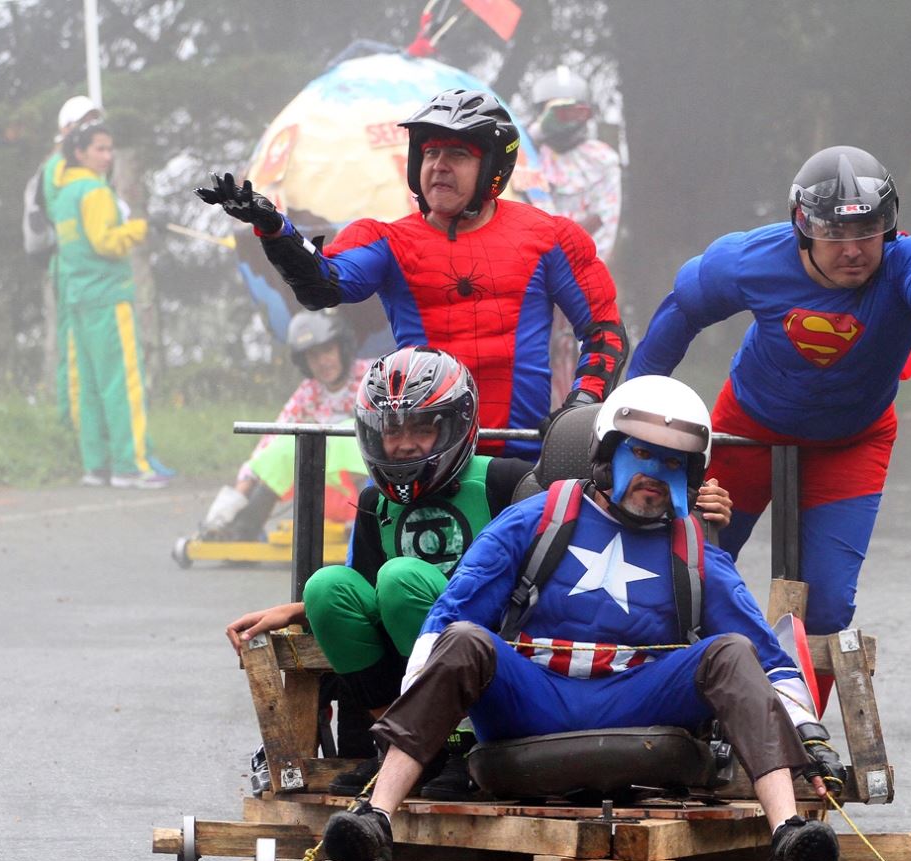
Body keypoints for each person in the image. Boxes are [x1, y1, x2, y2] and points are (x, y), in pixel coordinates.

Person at [315, 375, 845, 861]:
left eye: (672, 462)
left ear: (691, 474)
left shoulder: (695, 552)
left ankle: (788, 830)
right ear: (606, 453)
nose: (654, 474)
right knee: (466, 639)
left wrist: (811, 737)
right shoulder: (536, 519)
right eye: (640, 453)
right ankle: (376, 816)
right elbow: (452, 614)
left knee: (729, 650)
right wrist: (416, 700)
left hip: (640, 701)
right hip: (532, 698)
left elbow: (765, 655)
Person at [225, 349, 734, 797]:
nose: (402, 446)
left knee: (403, 579)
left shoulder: (509, 480)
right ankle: (399, 748)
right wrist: (295, 610)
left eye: (421, 428)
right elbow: (360, 595)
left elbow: (602, 505)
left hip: (493, 650)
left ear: (455, 427)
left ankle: (453, 747)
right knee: (326, 586)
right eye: (392, 430)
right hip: (409, 663)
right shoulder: (371, 502)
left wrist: (688, 498)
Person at [628, 144, 911, 698]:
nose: (853, 251)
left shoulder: (907, 259)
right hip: (747, 428)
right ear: (802, 227)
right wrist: (636, 405)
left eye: (868, 231)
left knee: (826, 604)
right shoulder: (750, 259)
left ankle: (795, 734)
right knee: (691, 563)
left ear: (889, 227)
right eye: (835, 234)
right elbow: (683, 308)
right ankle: (671, 701)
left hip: (852, 441)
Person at [195, 87, 628, 462]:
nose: (439, 165)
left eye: (457, 154)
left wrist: (580, 405)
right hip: (420, 464)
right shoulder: (385, 239)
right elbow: (322, 285)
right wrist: (274, 228)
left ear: (493, 169)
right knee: (357, 556)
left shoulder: (553, 236)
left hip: (522, 463)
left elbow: (605, 331)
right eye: (431, 151)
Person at [52, 121, 167, 487]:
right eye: (99, 149)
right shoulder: (95, 192)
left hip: (79, 299)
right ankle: (130, 466)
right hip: (109, 297)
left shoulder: (64, 195)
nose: (107, 155)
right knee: (123, 383)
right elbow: (107, 242)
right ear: (80, 153)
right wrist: (140, 227)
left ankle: (96, 465)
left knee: (90, 385)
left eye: (109, 148)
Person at [195, 308, 373, 541]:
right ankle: (240, 528)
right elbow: (273, 438)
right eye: (313, 356)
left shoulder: (373, 376)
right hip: (325, 498)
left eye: (327, 350)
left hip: (374, 490)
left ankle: (373, 525)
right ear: (304, 362)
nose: (322, 362)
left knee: (349, 433)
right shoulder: (308, 392)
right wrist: (237, 494)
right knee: (288, 444)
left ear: (342, 347)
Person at [528, 66, 623, 409]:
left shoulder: (603, 160)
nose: (566, 120)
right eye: (557, 112)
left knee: (584, 354)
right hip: (532, 277)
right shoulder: (528, 154)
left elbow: (607, 221)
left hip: (581, 276)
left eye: (574, 111)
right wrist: (536, 133)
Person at [23, 95, 103, 422]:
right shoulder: (57, 165)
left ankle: (88, 425)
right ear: (67, 128)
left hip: (86, 267)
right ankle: (71, 423)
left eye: (94, 121)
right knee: (71, 346)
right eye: (85, 122)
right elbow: (62, 218)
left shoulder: (83, 166)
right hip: (68, 265)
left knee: (87, 349)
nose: (90, 128)